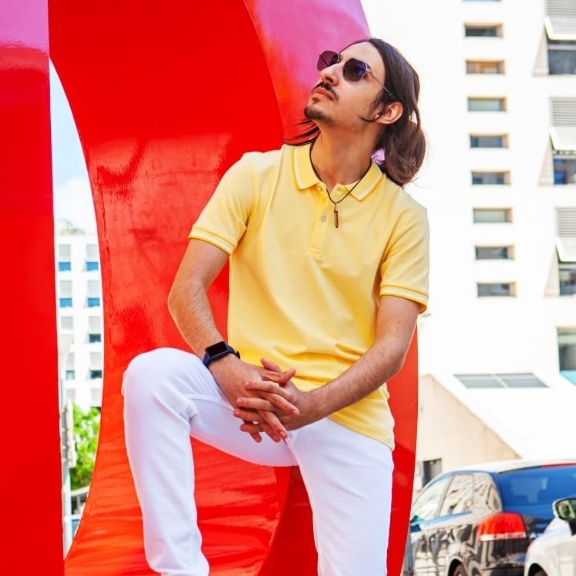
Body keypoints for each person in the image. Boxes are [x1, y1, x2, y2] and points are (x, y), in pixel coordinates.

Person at [122, 36, 430, 576]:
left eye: (355, 71)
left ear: (388, 111)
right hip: (251, 400)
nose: (330, 72)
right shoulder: (255, 175)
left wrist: (312, 405)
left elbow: (391, 349)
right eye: (331, 62)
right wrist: (227, 367)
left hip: (345, 417)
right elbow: (185, 288)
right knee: (151, 378)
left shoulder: (405, 217)